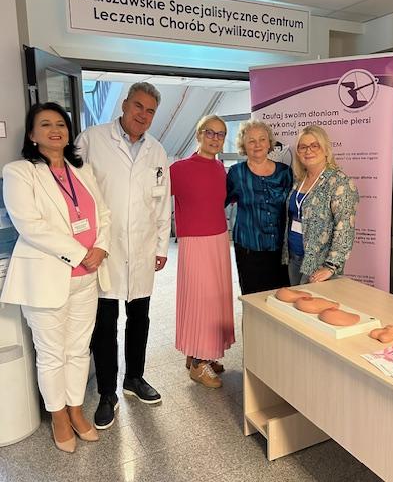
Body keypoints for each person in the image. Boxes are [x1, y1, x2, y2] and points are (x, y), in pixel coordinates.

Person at [1, 102, 111, 453]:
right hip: (46, 279)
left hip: (87, 278)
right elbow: (30, 225)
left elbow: (103, 214)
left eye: (61, 124)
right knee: (51, 353)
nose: (55, 130)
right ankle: (59, 416)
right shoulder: (20, 172)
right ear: (32, 135)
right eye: (45, 124)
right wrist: (80, 253)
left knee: (78, 350)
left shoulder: (83, 170)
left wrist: (102, 247)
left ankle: (76, 409)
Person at [76, 82, 170, 429]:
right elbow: (72, 190)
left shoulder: (157, 150)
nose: (143, 115)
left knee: (140, 318)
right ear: (125, 104)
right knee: (105, 323)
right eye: (138, 106)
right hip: (104, 247)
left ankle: (134, 378)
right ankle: (107, 393)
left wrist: (161, 247)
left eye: (150, 111)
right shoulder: (92, 139)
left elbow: (163, 202)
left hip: (142, 248)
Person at [170, 115, 235, 389]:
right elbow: (153, 201)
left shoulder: (220, 168)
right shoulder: (179, 169)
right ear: (199, 134)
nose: (215, 138)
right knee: (201, 300)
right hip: (195, 243)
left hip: (219, 240)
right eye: (210, 132)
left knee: (216, 300)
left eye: (221, 134)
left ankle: (200, 353)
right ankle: (199, 364)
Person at [284, 125, 359, 286]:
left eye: (315, 145)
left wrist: (330, 267)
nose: (308, 151)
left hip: (319, 264)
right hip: (294, 258)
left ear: (325, 150)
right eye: (303, 147)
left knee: (310, 302)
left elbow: (345, 228)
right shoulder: (299, 179)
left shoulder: (340, 183)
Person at [226, 119, 292, 294]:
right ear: (243, 145)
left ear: (269, 143)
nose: (257, 145)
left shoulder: (285, 172)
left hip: (280, 249)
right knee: (253, 298)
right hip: (248, 248)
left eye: (262, 139)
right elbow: (219, 202)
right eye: (251, 141)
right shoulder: (236, 173)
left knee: (281, 297)